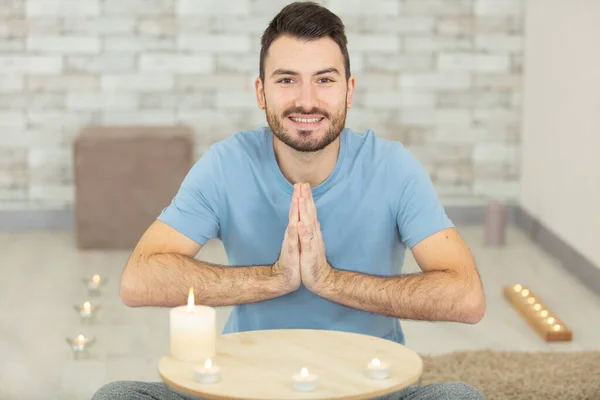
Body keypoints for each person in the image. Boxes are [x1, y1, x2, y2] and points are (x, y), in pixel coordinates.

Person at [92, 2, 486, 399]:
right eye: (286, 80)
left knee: (460, 396)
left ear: (349, 91)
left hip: (367, 389)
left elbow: (466, 296)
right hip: (245, 388)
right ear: (261, 93)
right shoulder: (227, 163)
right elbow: (139, 280)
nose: (307, 100)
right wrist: (275, 278)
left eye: (325, 80)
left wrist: (330, 281)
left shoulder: (393, 167)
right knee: (117, 395)